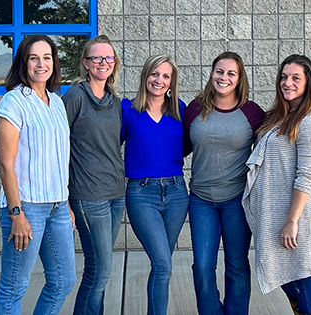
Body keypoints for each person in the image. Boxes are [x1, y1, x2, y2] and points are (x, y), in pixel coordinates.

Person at [0, 35, 76, 314]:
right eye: (34, 58)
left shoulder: (57, 103)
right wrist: (16, 213)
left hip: (58, 207)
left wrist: (65, 202)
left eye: (47, 57)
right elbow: (6, 164)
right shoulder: (13, 102)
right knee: (14, 286)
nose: (41, 64)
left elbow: (58, 159)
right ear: (23, 63)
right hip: (26, 207)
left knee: (64, 280)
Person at [183, 51, 265, 315]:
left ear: (239, 78)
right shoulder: (195, 108)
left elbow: (274, 145)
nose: (224, 77)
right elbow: (178, 146)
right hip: (201, 201)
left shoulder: (252, 113)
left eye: (231, 73)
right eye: (220, 71)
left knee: (237, 265)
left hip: (237, 201)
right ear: (211, 73)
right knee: (203, 266)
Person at [242, 54, 311, 315]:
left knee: (301, 273)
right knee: (282, 270)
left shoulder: (308, 122)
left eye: (295, 78)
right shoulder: (277, 116)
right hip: (275, 210)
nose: (287, 83)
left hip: (296, 213)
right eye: (284, 77)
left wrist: (292, 222)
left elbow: (306, 176)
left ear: (308, 83)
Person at [62, 35, 125, 314]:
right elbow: (58, 147)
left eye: (108, 58)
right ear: (86, 63)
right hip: (89, 197)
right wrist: (64, 197)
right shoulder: (76, 97)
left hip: (115, 195)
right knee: (100, 270)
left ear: (115, 63)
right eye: (96, 58)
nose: (103, 63)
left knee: (99, 267)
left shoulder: (114, 100)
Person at [121, 54, 189, 315]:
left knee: (163, 264)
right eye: (154, 74)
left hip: (176, 193)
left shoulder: (180, 110)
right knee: (163, 264)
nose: (158, 80)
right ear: (145, 75)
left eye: (165, 76)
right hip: (141, 194)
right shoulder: (127, 109)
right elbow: (105, 144)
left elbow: (190, 145)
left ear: (172, 82)